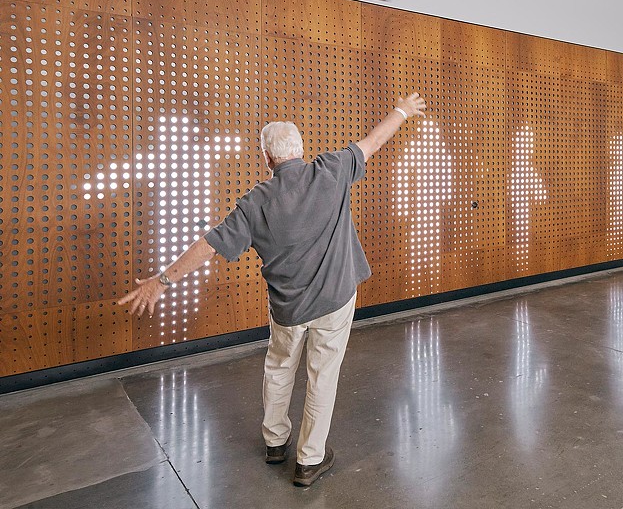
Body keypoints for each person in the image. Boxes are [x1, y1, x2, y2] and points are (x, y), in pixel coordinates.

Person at [118, 93, 428, 487]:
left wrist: (162, 281)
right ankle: (309, 460)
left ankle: (275, 442)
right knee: (322, 378)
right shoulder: (331, 170)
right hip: (334, 300)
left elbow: (209, 244)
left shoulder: (254, 203)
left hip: (288, 310)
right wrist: (401, 111)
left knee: (279, 369)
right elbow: (374, 142)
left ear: (266, 158)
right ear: (301, 150)